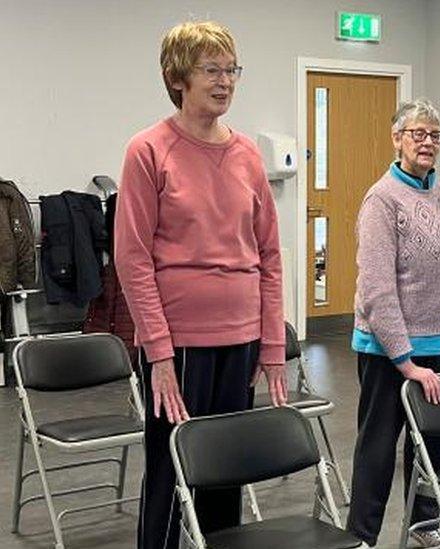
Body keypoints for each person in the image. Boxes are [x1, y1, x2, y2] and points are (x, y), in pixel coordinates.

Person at [115, 21, 286, 549]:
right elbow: (132, 257)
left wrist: (273, 345)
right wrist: (159, 353)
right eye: (210, 70)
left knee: (224, 475)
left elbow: (270, 256)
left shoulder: (247, 156)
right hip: (180, 345)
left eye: (231, 70)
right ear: (177, 78)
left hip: (241, 339)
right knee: (171, 474)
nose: (225, 81)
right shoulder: (148, 150)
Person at [346, 98, 440, 547]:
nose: (427, 142)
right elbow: (377, 289)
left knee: (434, 443)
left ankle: (423, 525)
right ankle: (363, 536)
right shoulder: (381, 199)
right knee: (378, 448)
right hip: (388, 351)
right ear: (397, 139)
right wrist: (405, 360)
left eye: (435, 135)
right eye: (417, 133)